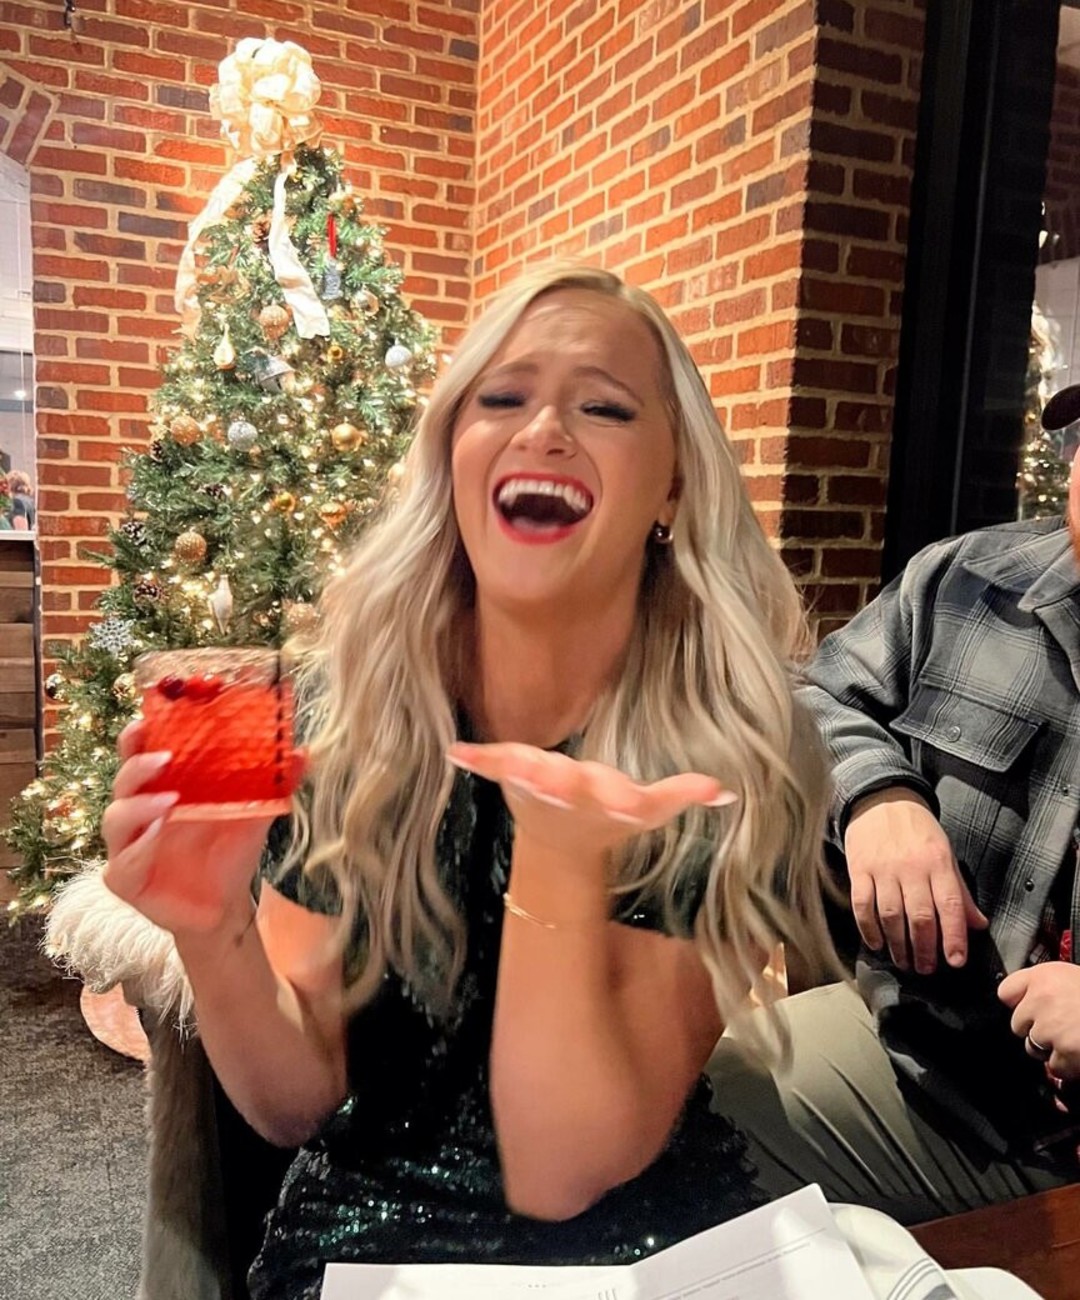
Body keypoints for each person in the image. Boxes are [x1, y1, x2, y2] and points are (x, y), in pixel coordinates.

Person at [98, 264, 838, 1297]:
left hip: (649, 1249)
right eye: (501, 397)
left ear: (674, 484)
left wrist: (558, 859)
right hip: (363, 1244)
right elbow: (292, 1102)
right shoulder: (344, 718)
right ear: (452, 455)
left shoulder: (733, 743)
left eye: (604, 406)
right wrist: (211, 929)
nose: (544, 429)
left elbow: (567, 1169)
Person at [709, 403, 1080, 1225]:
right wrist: (879, 795)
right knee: (674, 1124)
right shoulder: (966, 580)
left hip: (1057, 1152)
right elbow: (808, 699)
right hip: (932, 1060)